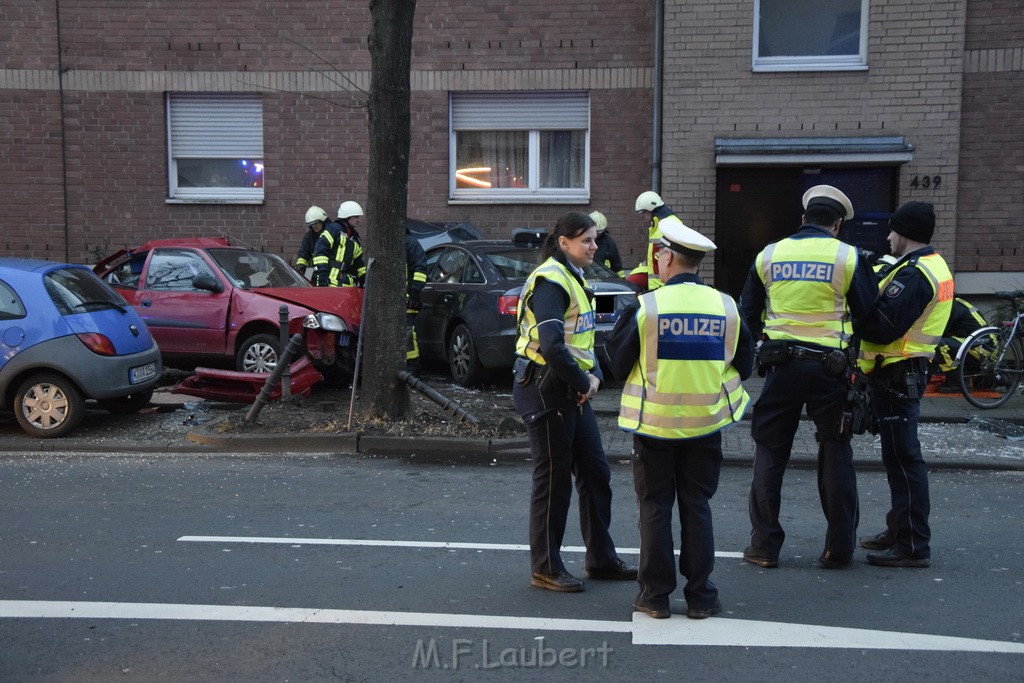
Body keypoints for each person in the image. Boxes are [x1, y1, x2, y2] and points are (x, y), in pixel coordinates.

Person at [605, 216, 753, 620]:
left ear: (668, 257)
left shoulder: (646, 306)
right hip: (705, 426)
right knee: (697, 507)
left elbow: (617, 364)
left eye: (659, 254)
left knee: (655, 508)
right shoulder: (726, 305)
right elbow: (746, 363)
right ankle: (701, 596)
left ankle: (654, 597)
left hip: (654, 427)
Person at [739, 185, 878, 570]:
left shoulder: (770, 254)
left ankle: (764, 547)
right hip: (829, 370)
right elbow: (868, 315)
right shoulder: (847, 256)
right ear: (836, 225)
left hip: (780, 367)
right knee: (835, 451)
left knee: (769, 451)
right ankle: (838, 549)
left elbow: (746, 313)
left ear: (802, 220)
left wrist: (752, 357)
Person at [512, 210, 637, 592]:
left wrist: (594, 374)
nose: (594, 246)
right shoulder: (552, 280)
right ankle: (546, 567)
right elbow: (551, 345)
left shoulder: (573, 276)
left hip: (569, 388)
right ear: (564, 242)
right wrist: (585, 381)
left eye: (595, 239)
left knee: (595, 473)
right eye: (586, 240)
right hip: (546, 389)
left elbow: (579, 339)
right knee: (553, 482)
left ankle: (599, 559)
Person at [856, 201, 953, 568]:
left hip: (898, 373)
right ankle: (899, 530)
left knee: (904, 459)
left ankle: (912, 544)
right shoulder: (926, 265)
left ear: (906, 232)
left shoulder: (914, 275)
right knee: (898, 459)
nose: (888, 236)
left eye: (893, 230)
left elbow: (881, 327)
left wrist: (857, 307)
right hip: (902, 372)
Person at [931, 295, 987, 391]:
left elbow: (939, 331)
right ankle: (960, 377)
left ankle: (958, 383)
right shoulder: (955, 303)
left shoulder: (950, 307)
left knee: (939, 344)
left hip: (982, 348)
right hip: (978, 344)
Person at [312, 201, 367, 287]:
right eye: (356, 216)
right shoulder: (333, 230)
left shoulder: (354, 238)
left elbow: (359, 263)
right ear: (347, 216)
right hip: (330, 282)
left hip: (347, 285)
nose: (358, 220)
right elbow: (320, 251)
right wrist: (322, 272)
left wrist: (364, 279)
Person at [632, 191, 678, 290]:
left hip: (664, 286)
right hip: (657, 284)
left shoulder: (669, 224)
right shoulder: (658, 224)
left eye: (642, 212)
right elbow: (654, 258)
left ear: (650, 209)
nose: (642, 216)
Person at [405, 230, 428, 370]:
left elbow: (421, 270)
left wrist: (414, 293)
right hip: (394, 300)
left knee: (408, 334)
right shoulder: (388, 244)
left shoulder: (410, 243)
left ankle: (412, 369)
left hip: (408, 299)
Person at [589, 210, 625, 276]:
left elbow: (617, 267)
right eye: (595, 231)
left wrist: (622, 281)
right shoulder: (582, 241)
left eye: (600, 232)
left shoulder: (608, 242)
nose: (597, 235)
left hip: (605, 279)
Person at [295, 206, 329, 274]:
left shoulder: (332, 234)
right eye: (311, 224)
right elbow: (303, 253)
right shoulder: (310, 237)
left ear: (322, 221)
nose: (314, 226)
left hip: (332, 272)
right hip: (318, 272)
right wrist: (300, 266)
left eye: (316, 223)